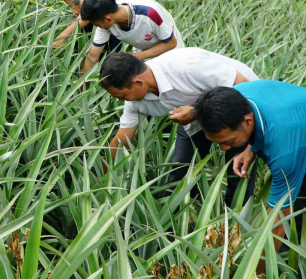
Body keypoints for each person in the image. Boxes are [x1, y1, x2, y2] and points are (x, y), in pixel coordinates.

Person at [195, 82, 306, 268]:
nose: (224, 149)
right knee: (296, 226)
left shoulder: (285, 151)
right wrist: (251, 147)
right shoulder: (235, 98)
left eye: (229, 141)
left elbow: (277, 224)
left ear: (247, 122)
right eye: (218, 143)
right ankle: (290, 275)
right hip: (303, 143)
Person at [100, 49, 258, 206]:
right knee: (180, 172)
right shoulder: (135, 102)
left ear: (138, 83)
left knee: (237, 171)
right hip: (193, 115)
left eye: (120, 96)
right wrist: (103, 185)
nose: (121, 101)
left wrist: (195, 111)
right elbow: (121, 141)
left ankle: (234, 219)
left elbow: (244, 87)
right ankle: (188, 216)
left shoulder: (187, 66)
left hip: (241, 105)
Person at [79, 0, 183, 74]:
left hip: (171, 53)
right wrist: (80, 90)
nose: (97, 28)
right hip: (142, 53)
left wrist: (137, 57)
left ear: (108, 19)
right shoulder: (106, 21)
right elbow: (93, 56)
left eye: (96, 25)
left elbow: (171, 43)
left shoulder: (149, 13)